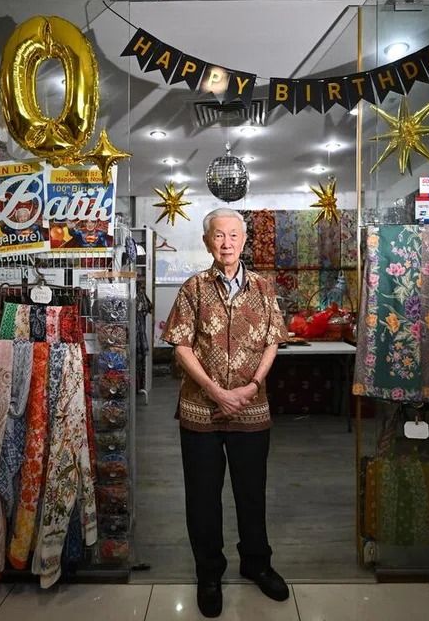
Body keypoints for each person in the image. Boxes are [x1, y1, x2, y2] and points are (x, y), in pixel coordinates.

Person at [162, 208, 289, 618]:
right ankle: (209, 573)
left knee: (252, 493)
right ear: (207, 242)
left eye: (234, 234)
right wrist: (215, 391)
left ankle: (257, 563)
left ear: (245, 239)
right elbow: (180, 345)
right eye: (219, 235)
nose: (227, 242)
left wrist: (251, 387)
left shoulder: (263, 287)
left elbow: (273, 340)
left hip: (252, 410)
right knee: (202, 497)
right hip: (200, 409)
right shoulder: (193, 288)